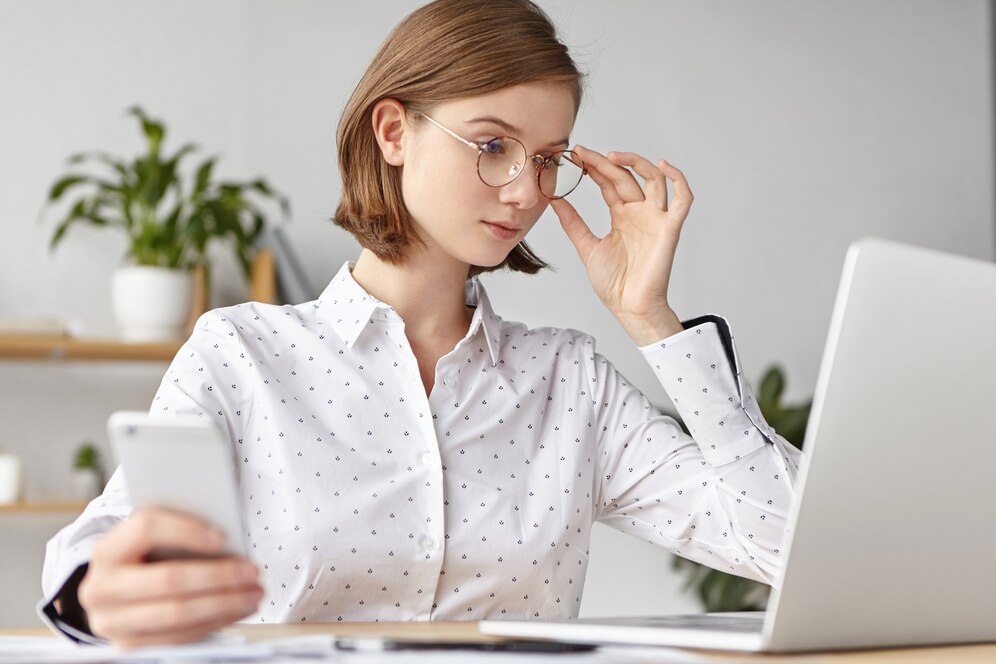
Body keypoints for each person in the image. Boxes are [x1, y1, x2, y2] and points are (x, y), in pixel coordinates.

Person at [41, 0, 802, 648]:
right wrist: (99, 595)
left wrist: (651, 318)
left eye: (546, 159)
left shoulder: (571, 386)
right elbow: (92, 556)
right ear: (394, 132)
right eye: (494, 145)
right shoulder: (243, 355)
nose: (523, 191)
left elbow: (786, 545)